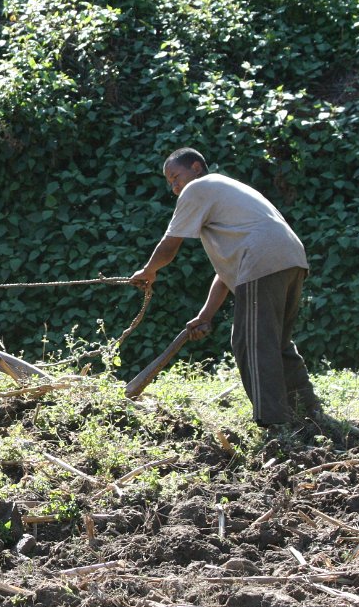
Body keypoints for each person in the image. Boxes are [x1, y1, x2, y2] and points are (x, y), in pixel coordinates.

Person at [130, 147, 326, 433]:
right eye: (170, 182)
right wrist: (205, 314)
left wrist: (149, 271)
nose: (174, 187)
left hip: (262, 259)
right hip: (290, 258)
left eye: (175, 177)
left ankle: (274, 422)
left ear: (196, 167)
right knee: (276, 341)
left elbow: (170, 244)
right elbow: (224, 274)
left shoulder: (198, 188)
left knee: (251, 343)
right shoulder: (225, 193)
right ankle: (308, 410)